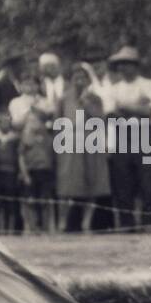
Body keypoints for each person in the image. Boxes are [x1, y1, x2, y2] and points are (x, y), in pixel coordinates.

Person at [105, 46, 151, 230]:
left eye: (128, 64)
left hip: (144, 134)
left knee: (148, 180)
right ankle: (127, 224)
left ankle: (148, 222)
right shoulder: (113, 88)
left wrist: (125, 107)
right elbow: (110, 115)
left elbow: (149, 111)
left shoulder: (148, 84)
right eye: (121, 65)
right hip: (122, 136)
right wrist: (135, 108)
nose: (124, 68)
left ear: (136, 66)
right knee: (123, 181)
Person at [56, 62, 111, 233]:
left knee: (91, 183)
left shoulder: (95, 99)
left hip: (91, 143)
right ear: (71, 79)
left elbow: (101, 120)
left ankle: (86, 223)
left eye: (83, 77)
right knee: (67, 186)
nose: (79, 81)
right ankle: (62, 222)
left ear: (88, 80)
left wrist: (86, 103)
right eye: (76, 77)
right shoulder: (64, 98)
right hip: (70, 144)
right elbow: (58, 121)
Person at [17, 109, 57, 234]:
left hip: (45, 172)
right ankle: (30, 226)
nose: (31, 123)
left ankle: (47, 227)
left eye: (34, 121)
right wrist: (25, 174)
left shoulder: (49, 136)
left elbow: (52, 155)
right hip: (31, 171)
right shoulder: (26, 137)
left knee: (45, 200)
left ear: (42, 122)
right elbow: (21, 156)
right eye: (29, 121)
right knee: (30, 201)